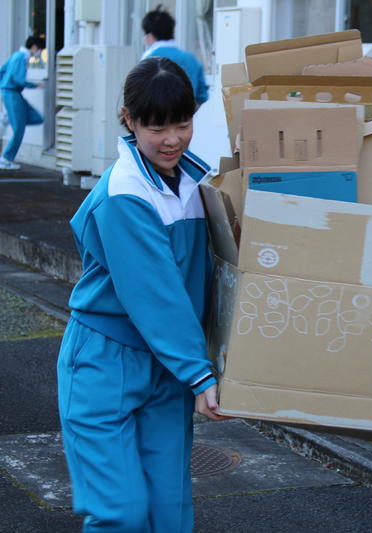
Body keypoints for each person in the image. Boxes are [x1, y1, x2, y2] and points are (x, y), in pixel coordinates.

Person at [57, 57, 227, 532]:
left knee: (169, 512)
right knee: (121, 514)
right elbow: (155, 295)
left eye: (182, 123)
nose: (172, 139)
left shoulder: (197, 181)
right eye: (157, 127)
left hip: (168, 363)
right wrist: (199, 372)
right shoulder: (124, 192)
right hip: (106, 360)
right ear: (129, 120)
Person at [141, 5, 209, 106]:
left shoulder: (149, 58)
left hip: (157, 113)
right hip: (186, 113)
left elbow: (141, 94)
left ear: (149, 35)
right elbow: (202, 95)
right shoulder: (191, 59)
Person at [0, 36, 45, 170]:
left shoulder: (16, 55)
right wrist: (35, 85)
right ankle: (6, 159)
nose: (40, 53)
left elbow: (2, 70)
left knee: (37, 118)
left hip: (11, 93)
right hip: (12, 93)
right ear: (34, 47)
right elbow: (18, 79)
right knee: (19, 129)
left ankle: (8, 118)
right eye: (40, 49)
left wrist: (3, 84)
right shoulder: (22, 58)